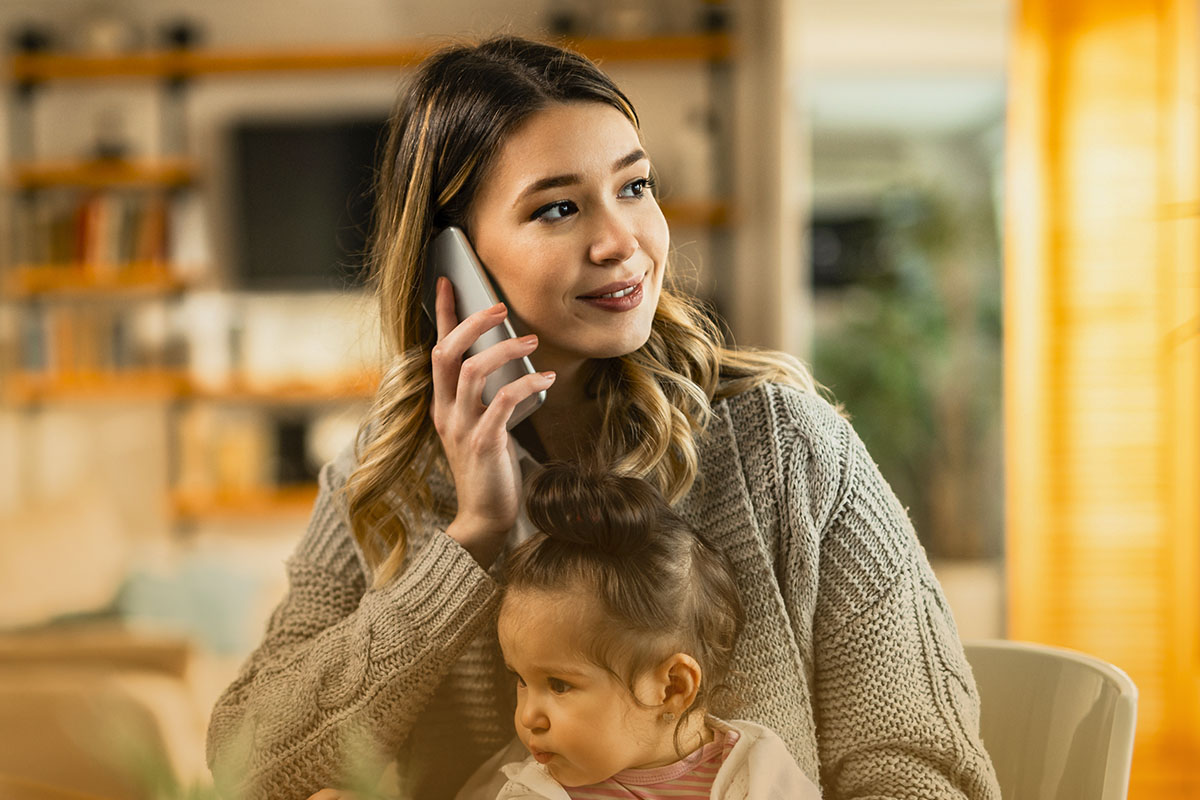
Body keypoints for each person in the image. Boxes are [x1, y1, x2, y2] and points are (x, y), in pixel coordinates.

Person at [205, 35, 1001, 800]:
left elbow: (924, 770)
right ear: (456, 261)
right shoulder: (384, 478)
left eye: (634, 186)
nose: (622, 242)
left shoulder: (786, 448)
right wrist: (470, 541)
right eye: (557, 210)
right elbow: (249, 765)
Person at [452, 461, 820, 800]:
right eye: (520, 679)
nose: (528, 716)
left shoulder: (760, 778)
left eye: (559, 684)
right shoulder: (531, 793)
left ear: (673, 686)